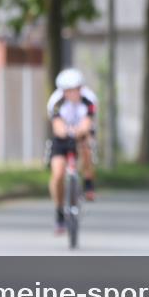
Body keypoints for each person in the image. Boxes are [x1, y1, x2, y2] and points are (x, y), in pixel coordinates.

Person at [47, 67, 98, 234]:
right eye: (69, 91)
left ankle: (88, 182)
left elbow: (87, 123)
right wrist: (67, 132)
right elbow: (57, 126)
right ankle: (59, 211)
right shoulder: (55, 102)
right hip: (62, 136)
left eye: (76, 90)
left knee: (86, 146)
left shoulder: (89, 100)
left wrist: (79, 132)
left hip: (82, 132)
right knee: (58, 174)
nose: (73, 94)